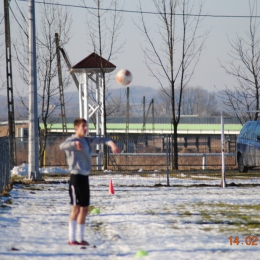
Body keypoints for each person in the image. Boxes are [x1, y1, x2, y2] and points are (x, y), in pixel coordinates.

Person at [59, 118, 120, 245]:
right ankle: (71, 239)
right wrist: (74, 145)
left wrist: (112, 144)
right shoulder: (73, 140)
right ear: (76, 128)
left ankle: (80, 239)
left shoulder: (87, 140)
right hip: (75, 178)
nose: (85, 129)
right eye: (83, 127)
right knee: (75, 208)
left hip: (85, 178)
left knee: (84, 209)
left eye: (86, 127)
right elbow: (62, 146)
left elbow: (103, 140)